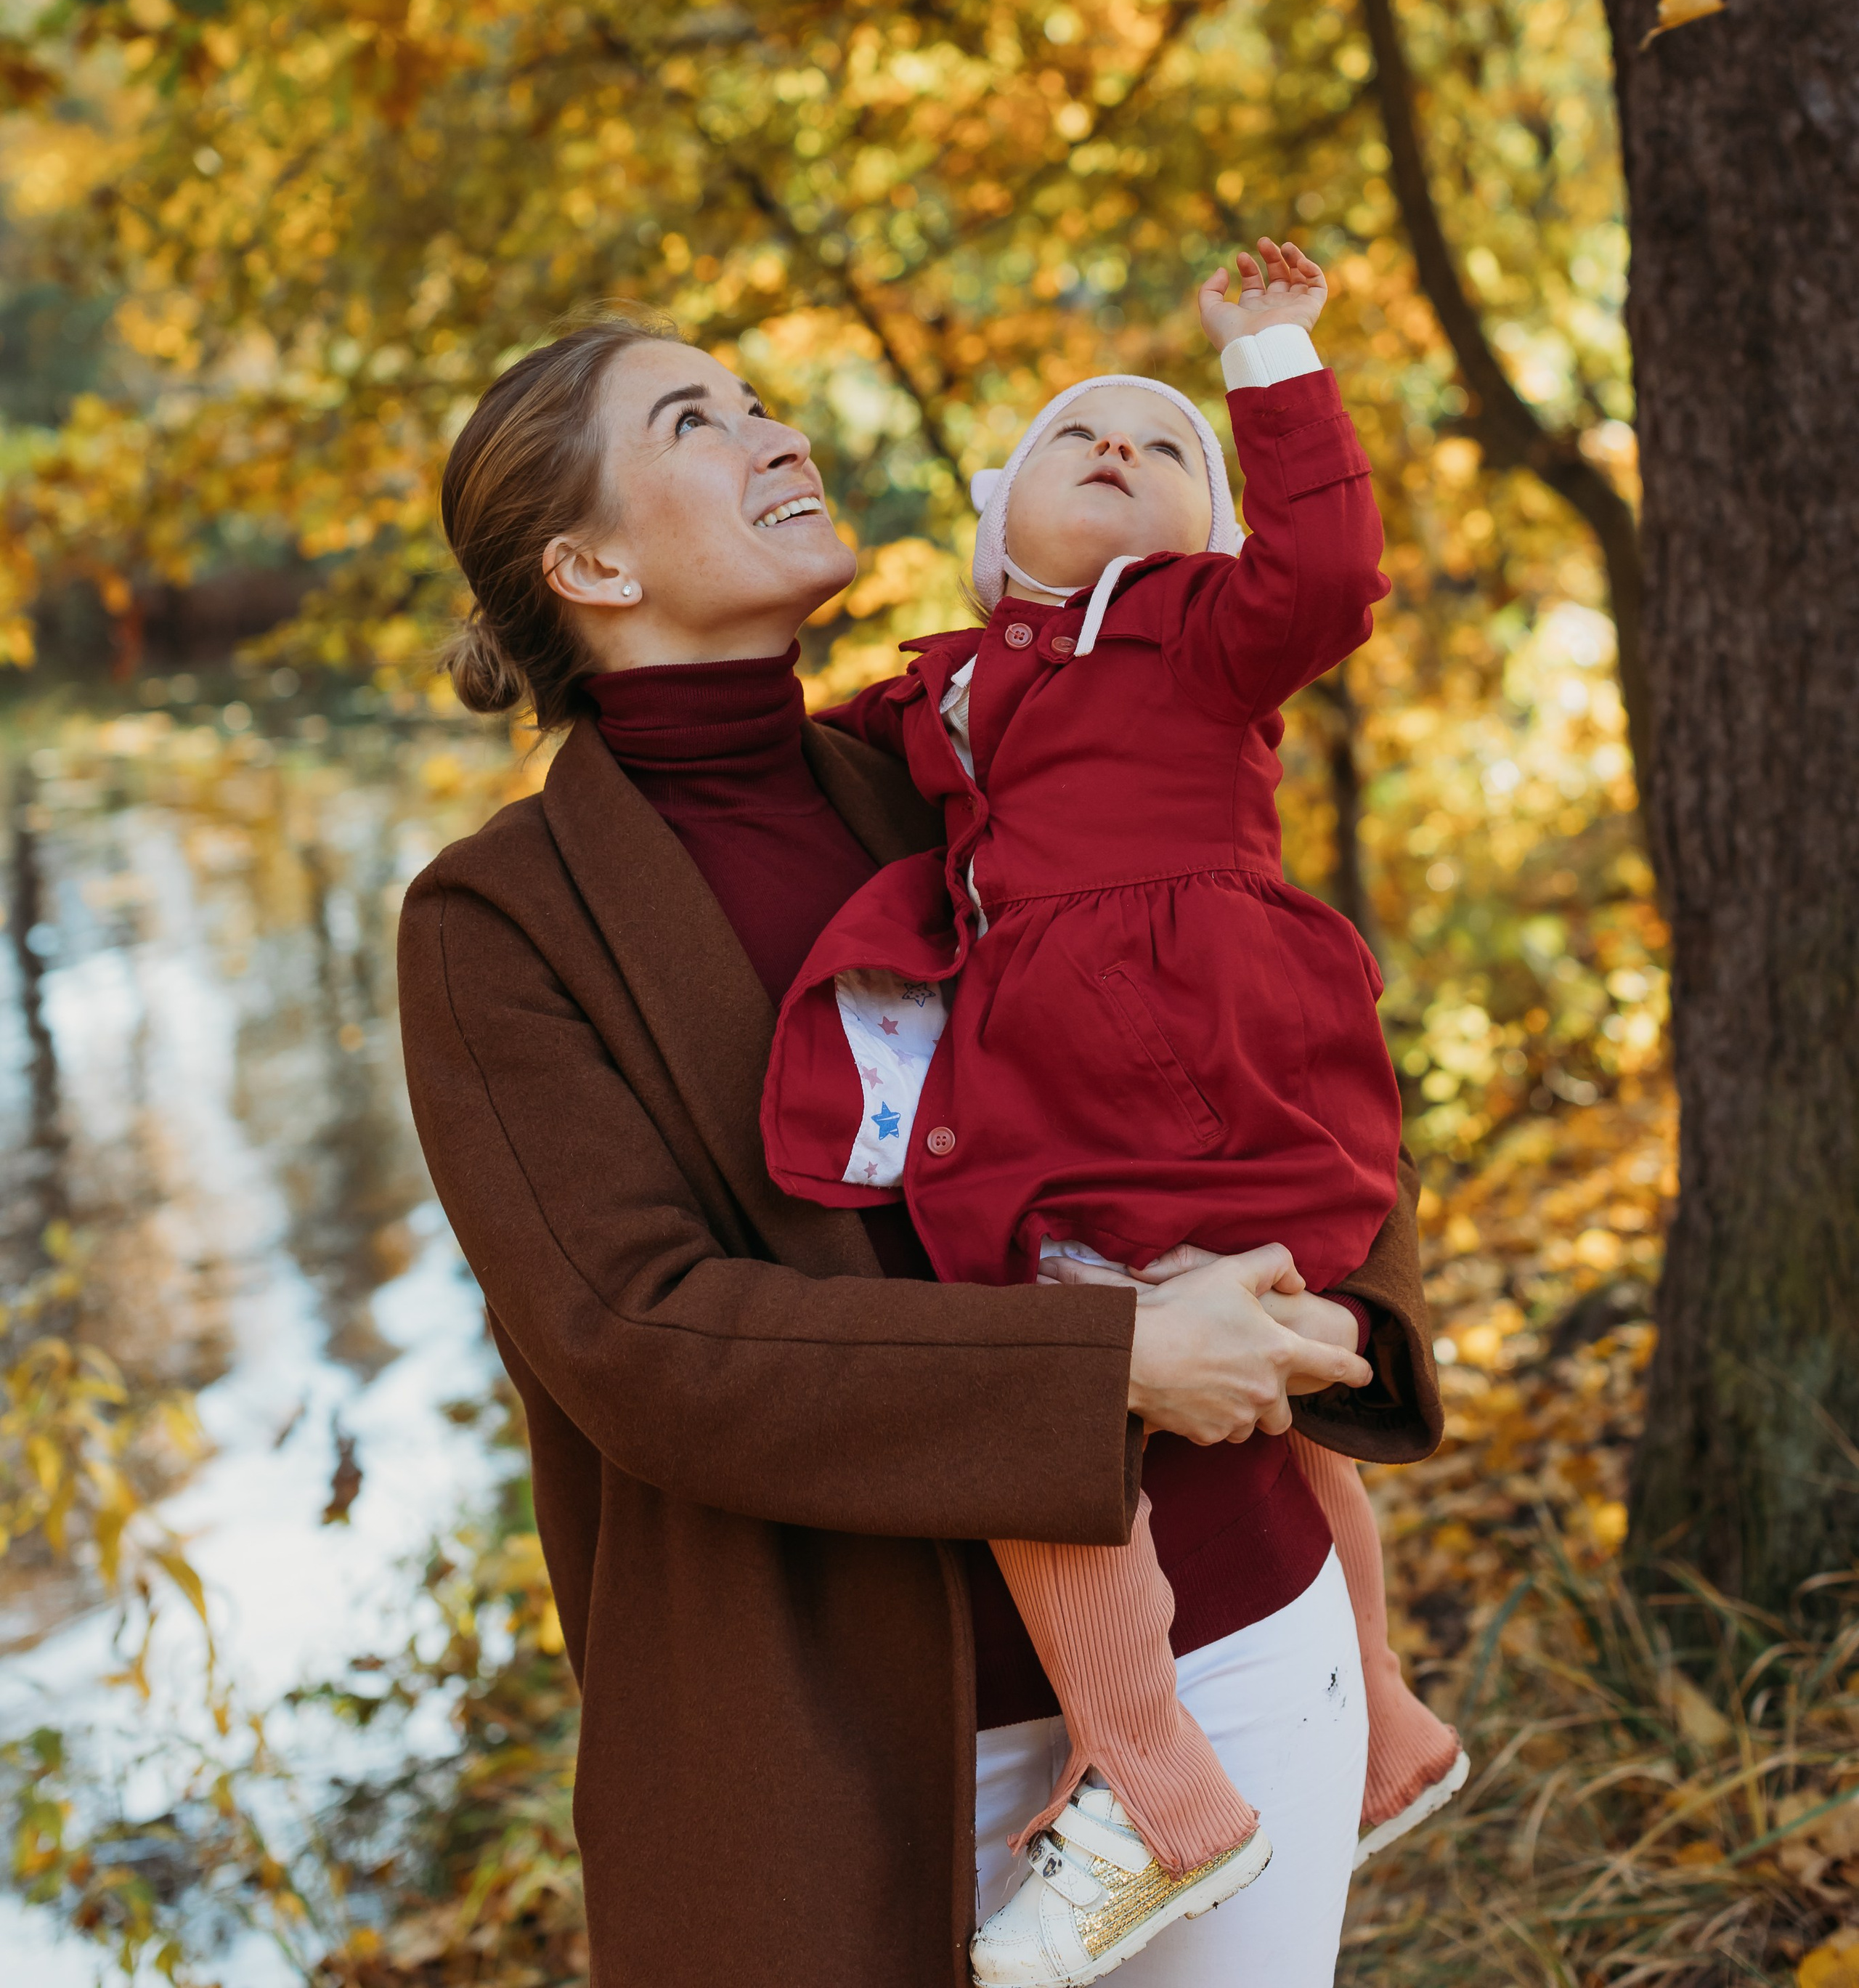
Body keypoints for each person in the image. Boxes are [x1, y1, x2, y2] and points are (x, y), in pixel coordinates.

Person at [396, 303, 1444, 1988]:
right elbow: (642, 1339)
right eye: (694, 423)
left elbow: (1252, 1023)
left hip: (1241, 1633)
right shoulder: (499, 923)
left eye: (757, 403)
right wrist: (1108, 1355)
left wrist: (1332, 1307)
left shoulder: (956, 766)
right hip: (858, 1732)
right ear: (587, 567)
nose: (777, 437)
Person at [760, 240, 1463, 1984]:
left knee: (1044, 1404)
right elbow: (794, 775)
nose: (1116, 454)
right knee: (1259, 1396)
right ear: (999, 535)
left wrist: (1268, 366)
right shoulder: (946, 691)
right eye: (1078, 438)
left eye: (1161, 451)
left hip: (1194, 1062)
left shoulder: (1198, 637)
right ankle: (1376, 1721)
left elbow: (1326, 573)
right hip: (1067, 1079)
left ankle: (1151, 1796)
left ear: (1203, 532)